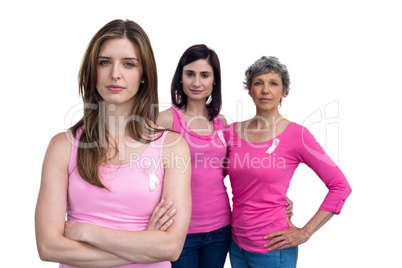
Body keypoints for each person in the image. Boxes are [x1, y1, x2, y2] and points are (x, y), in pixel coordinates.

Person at [35, 19, 191, 268]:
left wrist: (86, 232)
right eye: (104, 62)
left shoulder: (172, 147)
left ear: (143, 75)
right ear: (92, 71)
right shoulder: (63, 147)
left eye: (128, 64)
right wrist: (143, 245)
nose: (115, 73)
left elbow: (171, 247)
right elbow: (48, 246)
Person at [156, 45, 294, 268]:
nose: (196, 82)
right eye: (190, 74)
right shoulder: (164, 121)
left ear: (214, 81)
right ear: (180, 78)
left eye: (204, 75)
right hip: (179, 230)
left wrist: (273, 197)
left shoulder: (223, 125)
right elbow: (145, 174)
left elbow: (238, 172)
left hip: (221, 230)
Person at [223, 56, 352, 268]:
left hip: (274, 249)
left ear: (284, 92)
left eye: (273, 83)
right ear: (249, 90)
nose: (265, 90)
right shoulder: (231, 132)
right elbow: (211, 179)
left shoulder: (297, 135)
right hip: (236, 244)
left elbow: (340, 187)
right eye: (258, 83)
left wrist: (305, 232)